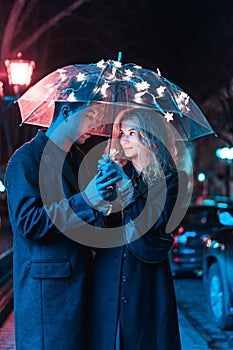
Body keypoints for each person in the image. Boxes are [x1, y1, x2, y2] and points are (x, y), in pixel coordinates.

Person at [5, 100, 121, 350]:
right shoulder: (26, 159)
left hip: (82, 289)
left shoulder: (77, 160)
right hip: (48, 300)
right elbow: (29, 224)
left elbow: (90, 224)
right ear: (66, 112)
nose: (96, 124)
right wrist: (86, 199)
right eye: (90, 116)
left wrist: (108, 194)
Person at [89, 107, 188, 350]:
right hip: (108, 275)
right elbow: (99, 227)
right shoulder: (118, 174)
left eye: (132, 132)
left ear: (151, 137)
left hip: (146, 278)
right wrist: (102, 186)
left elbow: (154, 221)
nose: (124, 139)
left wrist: (123, 184)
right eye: (122, 133)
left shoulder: (172, 180)